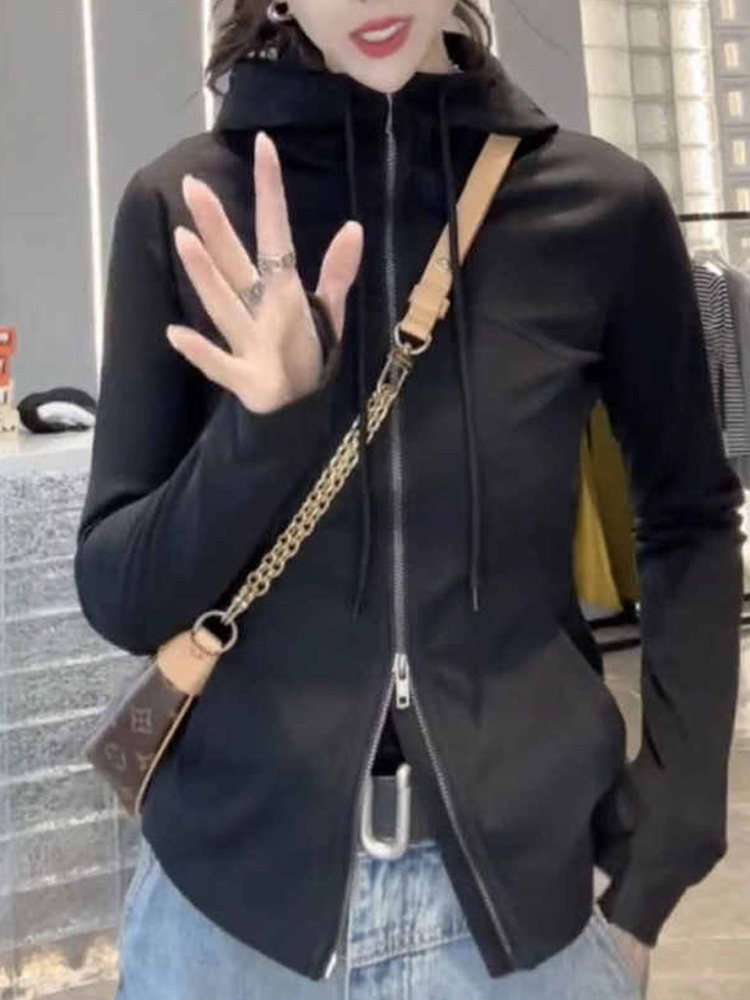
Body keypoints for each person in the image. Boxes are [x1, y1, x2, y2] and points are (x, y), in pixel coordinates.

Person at [74, 1, 746, 997]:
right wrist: (262, 434)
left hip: (528, 928)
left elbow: (689, 519)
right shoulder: (187, 207)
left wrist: (666, 848)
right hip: (228, 929)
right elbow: (121, 596)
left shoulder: (600, 209)